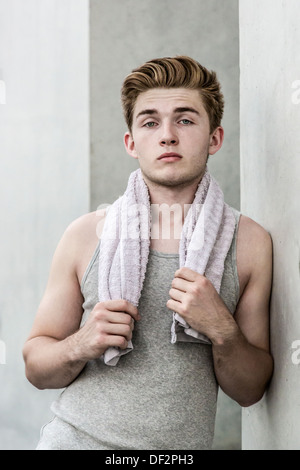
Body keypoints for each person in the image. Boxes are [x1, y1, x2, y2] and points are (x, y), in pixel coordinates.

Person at [23, 56, 273, 450]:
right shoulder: (86, 235)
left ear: (215, 139)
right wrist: (84, 341)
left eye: (186, 120)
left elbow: (251, 390)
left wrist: (222, 329)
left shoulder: (250, 243)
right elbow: (36, 367)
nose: (168, 135)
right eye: (150, 122)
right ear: (131, 142)